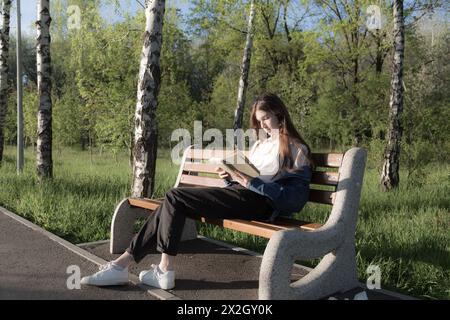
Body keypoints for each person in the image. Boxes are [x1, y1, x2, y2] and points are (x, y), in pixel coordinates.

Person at [80, 93, 313, 290]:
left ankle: (141, 267)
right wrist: (231, 176)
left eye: (266, 119)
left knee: (174, 197)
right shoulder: (260, 144)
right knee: (173, 201)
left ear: (279, 115)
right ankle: (135, 266)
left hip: (261, 205)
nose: (262, 125)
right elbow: (249, 175)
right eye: (258, 121)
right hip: (242, 196)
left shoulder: (296, 148)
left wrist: (250, 182)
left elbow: (294, 201)